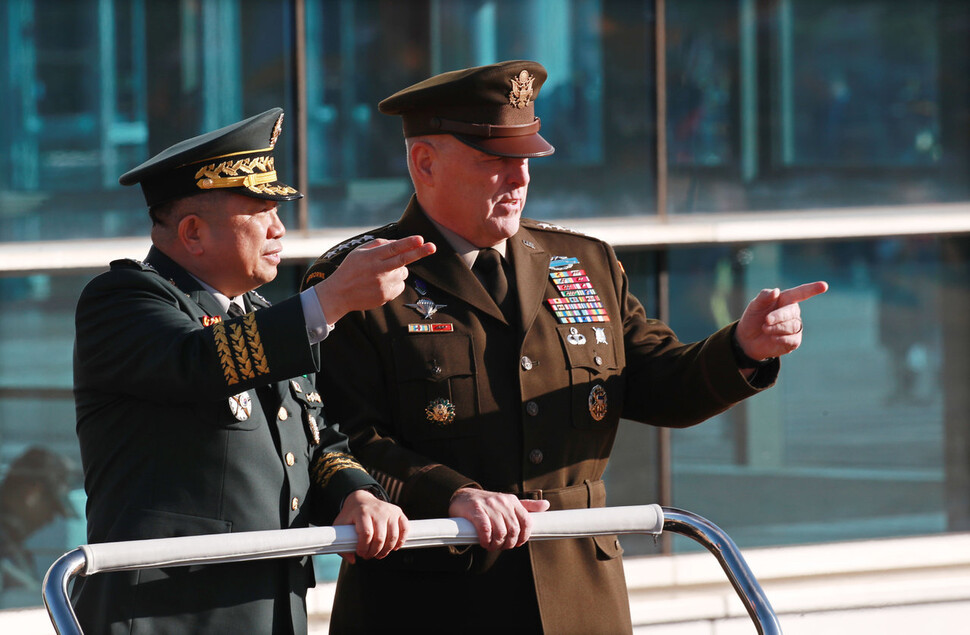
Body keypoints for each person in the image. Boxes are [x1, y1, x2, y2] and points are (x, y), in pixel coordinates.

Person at [301, 61, 828, 634]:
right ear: (424, 163)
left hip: (577, 596)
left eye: (524, 159)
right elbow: (337, 438)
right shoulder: (358, 278)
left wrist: (743, 349)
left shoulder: (582, 261)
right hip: (432, 597)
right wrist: (450, 494)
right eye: (493, 160)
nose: (518, 178)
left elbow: (659, 383)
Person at [72, 108, 434, 634]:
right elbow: (198, 362)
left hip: (270, 609)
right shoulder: (123, 299)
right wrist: (328, 301)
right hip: (168, 617)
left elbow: (317, 443)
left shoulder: (263, 318)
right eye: (260, 210)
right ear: (192, 232)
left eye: (278, 210)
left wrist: (356, 494)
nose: (279, 227)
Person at [0, 447, 78, 598]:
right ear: (33, 492)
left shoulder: (10, 543)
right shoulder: (5, 543)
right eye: (51, 508)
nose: (50, 520)